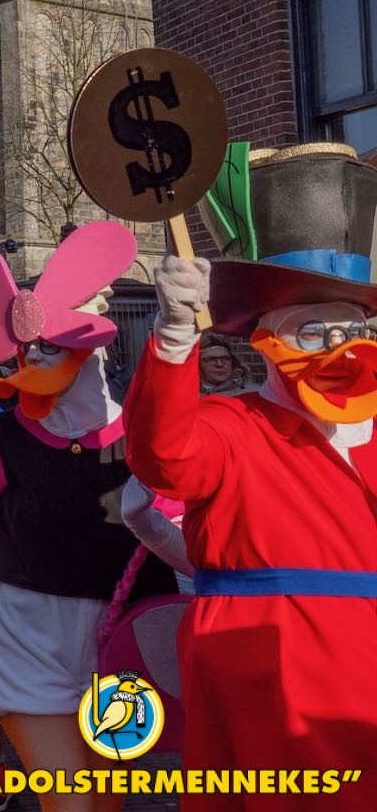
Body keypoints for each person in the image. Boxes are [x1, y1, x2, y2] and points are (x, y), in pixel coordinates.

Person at [0, 222, 179, 811]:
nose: (36, 356)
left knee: (106, 801)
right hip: (28, 633)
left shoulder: (145, 439)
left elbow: (190, 549)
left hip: (122, 637)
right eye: (27, 348)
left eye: (50, 345)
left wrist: (153, 522)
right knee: (68, 801)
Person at [125, 143, 377, 810]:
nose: (341, 350)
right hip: (268, 669)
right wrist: (173, 338)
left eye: (354, 329)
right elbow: (165, 456)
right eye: (313, 332)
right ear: (266, 341)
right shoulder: (233, 425)